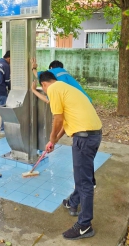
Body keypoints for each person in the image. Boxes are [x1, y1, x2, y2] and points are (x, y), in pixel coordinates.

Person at [38, 71, 102, 240]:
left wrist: (50, 138)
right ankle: (73, 202)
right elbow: (66, 124)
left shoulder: (53, 89)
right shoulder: (67, 89)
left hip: (84, 138)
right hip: (94, 135)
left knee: (84, 181)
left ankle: (84, 225)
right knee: (83, 174)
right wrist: (55, 141)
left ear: (44, 85)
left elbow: (57, 119)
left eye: (43, 89)